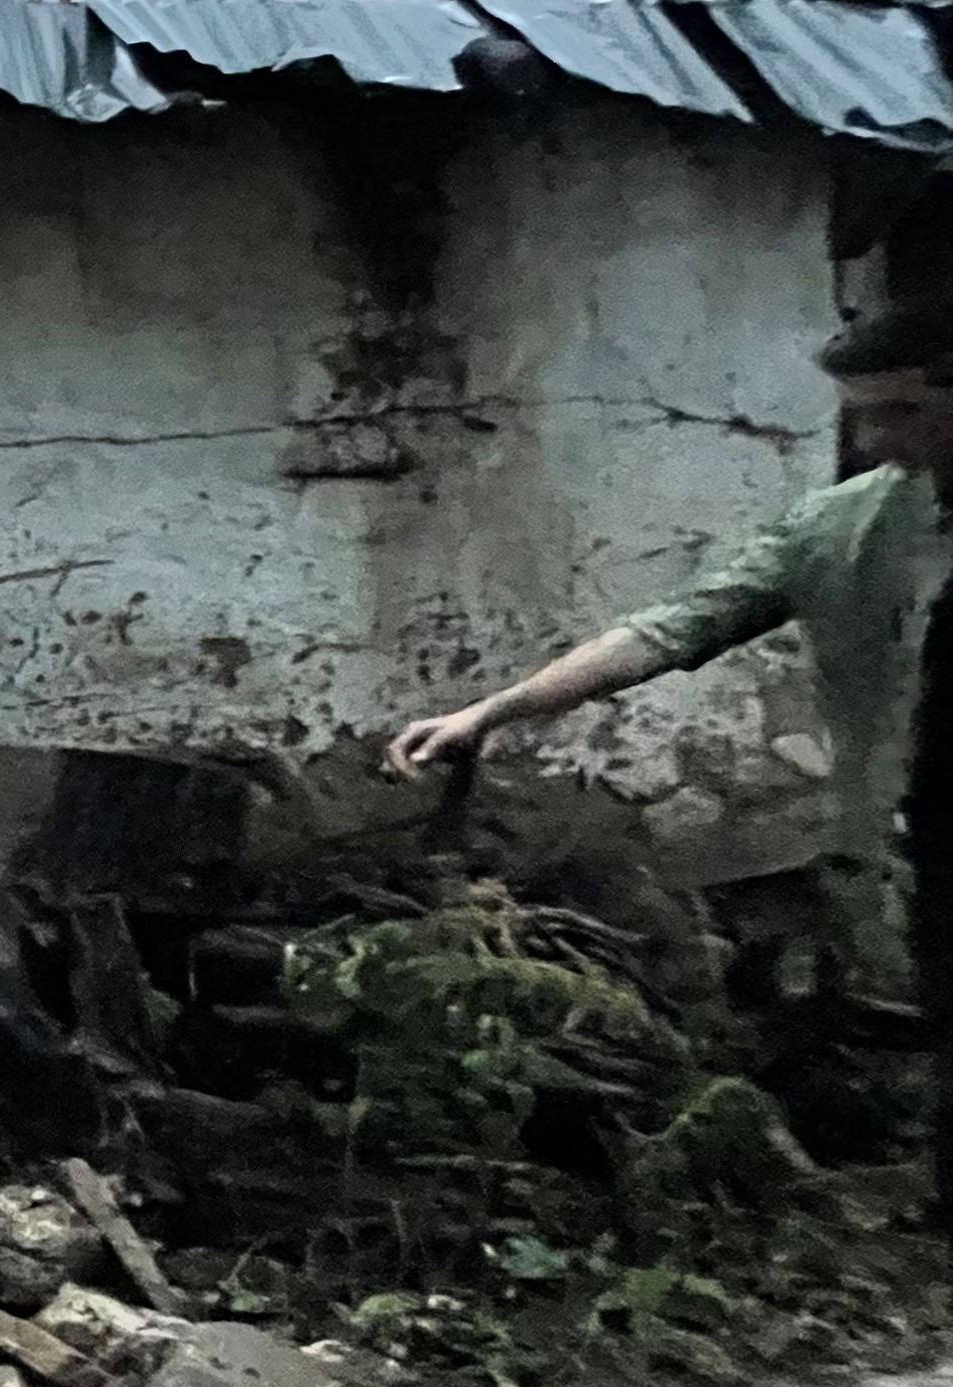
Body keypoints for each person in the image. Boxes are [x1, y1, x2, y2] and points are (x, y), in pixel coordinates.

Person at [385, 305, 953, 994]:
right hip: (911, 858)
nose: (872, 439)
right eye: (860, 415)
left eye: (900, 412)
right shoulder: (838, 529)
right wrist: (493, 712)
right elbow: (672, 628)